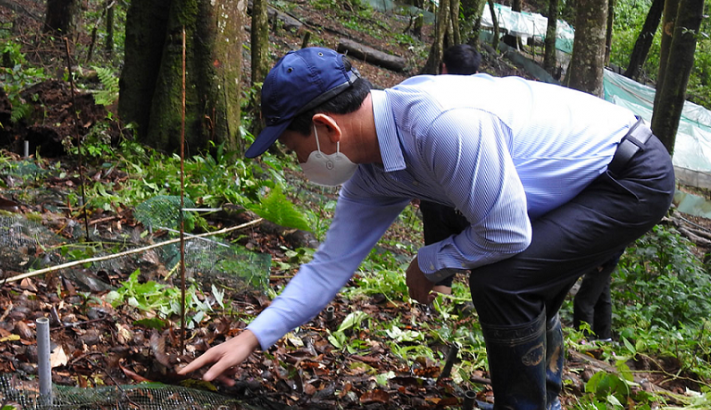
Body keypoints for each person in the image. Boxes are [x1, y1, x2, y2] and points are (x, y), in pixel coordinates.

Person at [177, 47, 675, 409]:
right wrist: (251, 337)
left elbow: (506, 233)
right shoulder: (372, 172)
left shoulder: (440, 125)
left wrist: (430, 261)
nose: (298, 160)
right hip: (568, 184)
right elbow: (329, 266)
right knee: (523, 277)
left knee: (505, 278)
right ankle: (541, 402)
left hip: (626, 173)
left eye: (292, 147)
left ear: (327, 128)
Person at [426, 44, 483, 295]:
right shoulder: (486, 104)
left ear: (444, 68)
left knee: (440, 266)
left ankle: (438, 317)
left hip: (438, 194)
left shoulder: (430, 96)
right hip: (476, 196)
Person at [573, 248, 625, 341]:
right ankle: (603, 337)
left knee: (584, 301)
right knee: (601, 298)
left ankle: (584, 340)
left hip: (604, 259)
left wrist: (603, 261)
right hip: (605, 258)